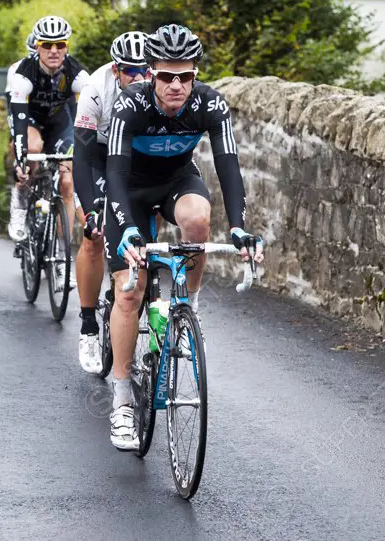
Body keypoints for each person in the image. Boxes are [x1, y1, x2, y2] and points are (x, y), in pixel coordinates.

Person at [103, 24, 263, 451]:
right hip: (130, 189)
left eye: (185, 76)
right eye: (166, 75)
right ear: (151, 73)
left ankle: (188, 304)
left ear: (195, 75)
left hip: (176, 180)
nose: (176, 85)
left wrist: (240, 225)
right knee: (129, 294)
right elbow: (114, 172)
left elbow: (229, 165)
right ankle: (121, 398)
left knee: (198, 219)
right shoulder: (129, 106)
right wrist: (129, 228)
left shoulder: (210, 104)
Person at [71, 31, 150, 373]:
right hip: (98, 156)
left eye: (144, 70)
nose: (138, 77)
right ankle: (89, 325)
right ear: (116, 70)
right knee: (94, 236)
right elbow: (82, 156)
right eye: (129, 70)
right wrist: (91, 210)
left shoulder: (157, 86)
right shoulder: (94, 90)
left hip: (135, 157)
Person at [4, 16, 89, 244]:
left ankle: (63, 257)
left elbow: (89, 117)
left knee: (68, 181)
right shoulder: (22, 73)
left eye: (60, 45)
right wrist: (21, 160)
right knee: (32, 149)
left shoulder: (77, 73)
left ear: (66, 47)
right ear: (37, 46)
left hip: (59, 122)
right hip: (29, 120)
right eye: (47, 45)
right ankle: (20, 209)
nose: (53, 50)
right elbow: (18, 121)